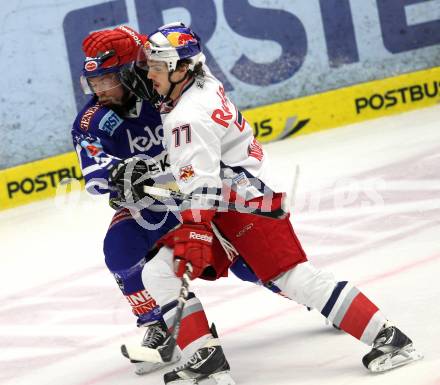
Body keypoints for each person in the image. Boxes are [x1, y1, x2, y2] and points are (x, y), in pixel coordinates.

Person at [115, 22, 422, 384]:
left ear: (182, 69)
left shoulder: (186, 117)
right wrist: (156, 182)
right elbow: (202, 166)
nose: (149, 74)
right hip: (234, 198)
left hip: (241, 206)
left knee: (294, 278)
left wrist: (192, 225)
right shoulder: (202, 82)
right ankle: (207, 362)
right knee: (159, 271)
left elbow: (200, 182)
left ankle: (390, 339)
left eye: (156, 66)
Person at [72, 25, 293, 377]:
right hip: (151, 204)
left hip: (198, 197)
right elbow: (95, 176)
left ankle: (302, 290)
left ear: (131, 71)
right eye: (92, 82)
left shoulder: (170, 94)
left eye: (107, 80)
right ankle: (158, 323)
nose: (99, 90)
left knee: (245, 263)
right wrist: (116, 176)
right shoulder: (91, 121)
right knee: (120, 248)